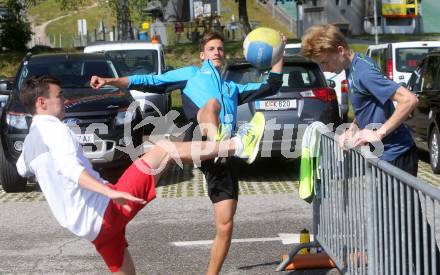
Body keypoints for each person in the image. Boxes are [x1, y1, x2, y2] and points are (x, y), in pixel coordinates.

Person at [16, 75, 266, 274]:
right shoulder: (56, 131)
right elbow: (71, 170)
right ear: (41, 102)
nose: (65, 101)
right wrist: (110, 191)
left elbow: (21, 168)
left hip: (91, 229)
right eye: (59, 96)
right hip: (105, 211)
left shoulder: (30, 142)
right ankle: (239, 145)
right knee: (164, 148)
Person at [90, 30, 285, 275]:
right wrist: (109, 81)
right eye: (212, 48)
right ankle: (221, 141)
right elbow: (149, 81)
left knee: (225, 225)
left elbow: (272, 85)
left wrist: (279, 51)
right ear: (202, 54)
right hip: (198, 139)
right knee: (210, 105)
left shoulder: (232, 88)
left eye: (220, 49)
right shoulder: (192, 74)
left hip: (221, 160)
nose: (217, 52)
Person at [301, 24, 438, 273]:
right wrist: (353, 129)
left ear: (340, 50)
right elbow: (371, 106)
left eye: (324, 61)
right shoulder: (354, 68)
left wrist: (378, 133)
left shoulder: (362, 71)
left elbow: (409, 100)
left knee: (408, 223)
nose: (324, 68)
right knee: (395, 223)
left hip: (396, 155)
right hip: (386, 156)